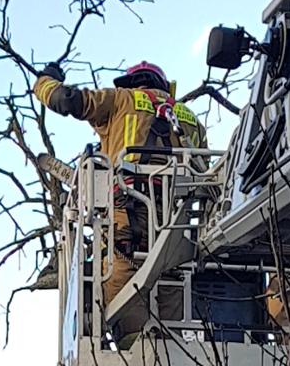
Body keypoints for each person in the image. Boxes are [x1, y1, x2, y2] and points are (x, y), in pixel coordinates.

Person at [34, 61, 205, 342]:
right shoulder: (189, 118)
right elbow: (203, 173)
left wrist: (44, 82)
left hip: (127, 213)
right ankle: (173, 360)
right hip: (177, 220)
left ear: (132, 83)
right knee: (173, 286)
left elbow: (67, 100)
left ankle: (135, 354)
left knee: (120, 291)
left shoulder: (120, 99)